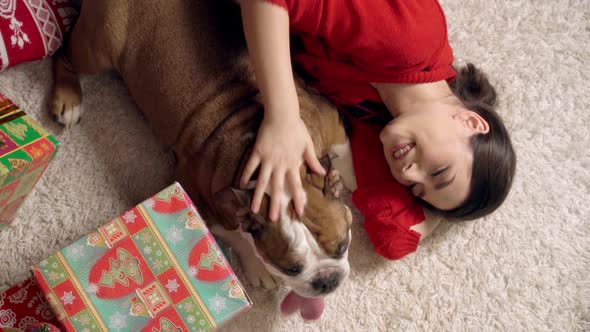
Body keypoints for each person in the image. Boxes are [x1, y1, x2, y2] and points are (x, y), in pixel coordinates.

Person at [239, 0, 516, 259]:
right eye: (439, 171)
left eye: (416, 188)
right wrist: (283, 116)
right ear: (471, 122)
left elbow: (391, 238)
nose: (408, 173)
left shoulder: (382, 120)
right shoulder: (411, 36)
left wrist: (439, 212)